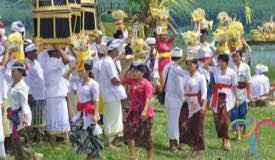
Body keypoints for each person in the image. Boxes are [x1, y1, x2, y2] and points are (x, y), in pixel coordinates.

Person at [64, 61, 104, 160]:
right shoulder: (78, 81)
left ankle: (92, 155)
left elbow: (96, 100)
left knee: (90, 135)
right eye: (79, 71)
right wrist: (73, 67)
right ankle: (93, 154)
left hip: (90, 113)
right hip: (81, 112)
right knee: (74, 133)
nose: (80, 73)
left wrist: (95, 114)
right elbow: (65, 76)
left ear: (88, 71)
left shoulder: (93, 84)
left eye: (82, 71)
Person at [7, 62, 43, 160]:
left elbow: (24, 104)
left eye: (15, 71)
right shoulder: (12, 85)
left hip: (21, 117)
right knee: (16, 142)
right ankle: (30, 156)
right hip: (13, 117)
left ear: (21, 72)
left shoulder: (22, 86)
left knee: (22, 142)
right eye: (12, 71)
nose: (12, 73)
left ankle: (33, 157)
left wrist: (25, 117)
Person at [172, 55, 207, 152]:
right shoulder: (184, 74)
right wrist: (184, 58)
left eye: (191, 64)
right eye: (187, 64)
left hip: (196, 103)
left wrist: (203, 105)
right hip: (185, 102)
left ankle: (198, 146)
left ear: (196, 65)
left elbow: (204, 92)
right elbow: (173, 67)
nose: (189, 66)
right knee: (182, 125)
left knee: (197, 126)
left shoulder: (201, 77)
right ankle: (191, 143)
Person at [204, 53, 239, 151]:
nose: (219, 63)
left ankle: (226, 141)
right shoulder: (215, 69)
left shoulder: (232, 72)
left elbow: (235, 86)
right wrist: (213, 55)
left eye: (220, 61)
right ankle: (223, 140)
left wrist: (237, 98)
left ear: (225, 62)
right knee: (218, 120)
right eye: (218, 61)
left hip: (227, 97)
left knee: (225, 120)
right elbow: (205, 66)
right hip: (216, 97)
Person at [120, 62, 154, 160]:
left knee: (146, 135)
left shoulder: (147, 84)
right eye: (133, 70)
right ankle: (133, 156)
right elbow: (122, 78)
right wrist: (128, 67)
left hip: (145, 112)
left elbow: (148, 98)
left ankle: (149, 157)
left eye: (136, 71)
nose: (134, 72)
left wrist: (144, 111)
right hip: (133, 111)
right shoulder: (133, 81)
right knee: (128, 132)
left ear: (143, 72)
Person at [99, 39, 127, 149]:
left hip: (113, 94)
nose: (119, 51)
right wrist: (125, 81)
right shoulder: (108, 62)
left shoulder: (110, 61)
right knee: (111, 118)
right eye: (118, 49)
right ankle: (109, 142)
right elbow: (114, 80)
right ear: (114, 50)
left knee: (116, 117)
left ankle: (114, 141)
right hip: (110, 94)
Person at [43, 45, 71, 148]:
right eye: (58, 51)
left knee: (59, 119)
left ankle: (61, 142)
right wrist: (58, 47)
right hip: (55, 95)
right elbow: (67, 59)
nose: (60, 52)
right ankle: (54, 145)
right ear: (54, 52)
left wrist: (58, 48)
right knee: (54, 120)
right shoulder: (53, 61)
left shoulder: (52, 61)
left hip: (56, 94)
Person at [162, 48, 185, 151]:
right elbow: (180, 86)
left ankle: (176, 143)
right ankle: (172, 144)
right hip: (175, 98)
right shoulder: (176, 68)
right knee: (174, 122)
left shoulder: (166, 67)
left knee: (174, 121)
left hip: (169, 97)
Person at [24, 43, 46, 142]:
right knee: (34, 118)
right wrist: (29, 95)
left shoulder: (36, 62)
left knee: (40, 117)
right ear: (28, 53)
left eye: (36, 51)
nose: (36, 53)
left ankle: (39, 138)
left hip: (41, 94)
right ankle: (34, 139)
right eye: (34, 51)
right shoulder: (27, 64)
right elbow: (27, 81)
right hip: (34, 95)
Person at [155, 22, 177, 89]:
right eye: (162, 35)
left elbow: (175, 34)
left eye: (166, 35)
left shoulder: (167, 43)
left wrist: (169, 25)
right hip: (162, 63)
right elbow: (158, 33)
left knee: (169, 80)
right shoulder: (158, 42)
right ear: (160, 36)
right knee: (163, 81)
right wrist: (159, 21)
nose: (164, 36)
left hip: (169, 62)